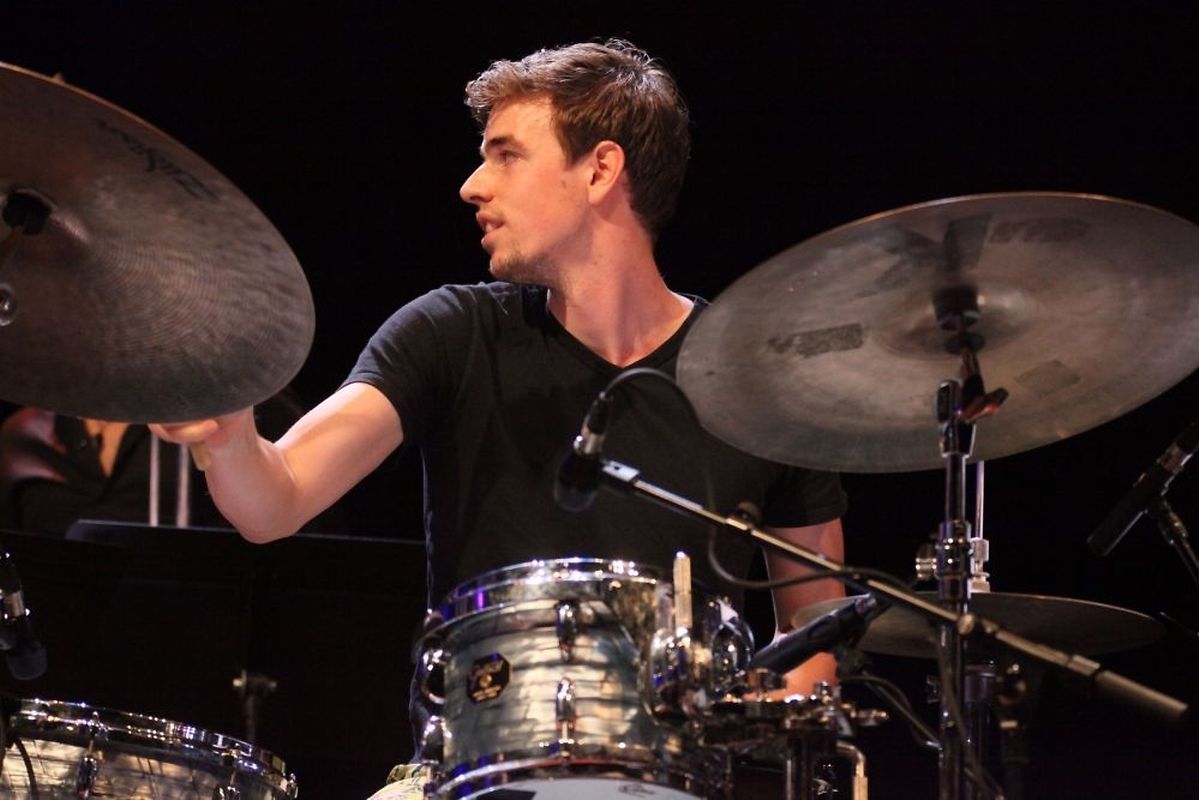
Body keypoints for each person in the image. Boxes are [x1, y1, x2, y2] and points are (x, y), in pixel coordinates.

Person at [153, 39, 847, 794]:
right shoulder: (452, 333)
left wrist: (758, 718)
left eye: (506, 155)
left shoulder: (756, 384)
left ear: (600, 170)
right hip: (463, 776)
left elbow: (813, 639)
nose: (472, 185)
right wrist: (229, 436)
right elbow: (273, 502)